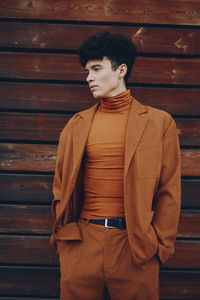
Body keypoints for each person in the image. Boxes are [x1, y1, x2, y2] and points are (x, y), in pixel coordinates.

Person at [50, 32, 181, 300]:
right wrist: (65, 242)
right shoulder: (76, 125)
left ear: (121, 70)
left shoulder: (159, 122)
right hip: (82, 244)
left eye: (97, 68)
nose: (89, 77)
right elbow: (61, 188)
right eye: (87, 71)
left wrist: (160, 247)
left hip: (136, 248)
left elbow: (169, 189)